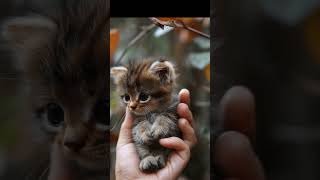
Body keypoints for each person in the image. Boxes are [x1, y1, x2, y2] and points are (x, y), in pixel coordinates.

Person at [115, 89, 197, 180]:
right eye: (127, 98)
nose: (132, 104)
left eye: (143, 96)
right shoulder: (133, 112)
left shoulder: (168, 102)